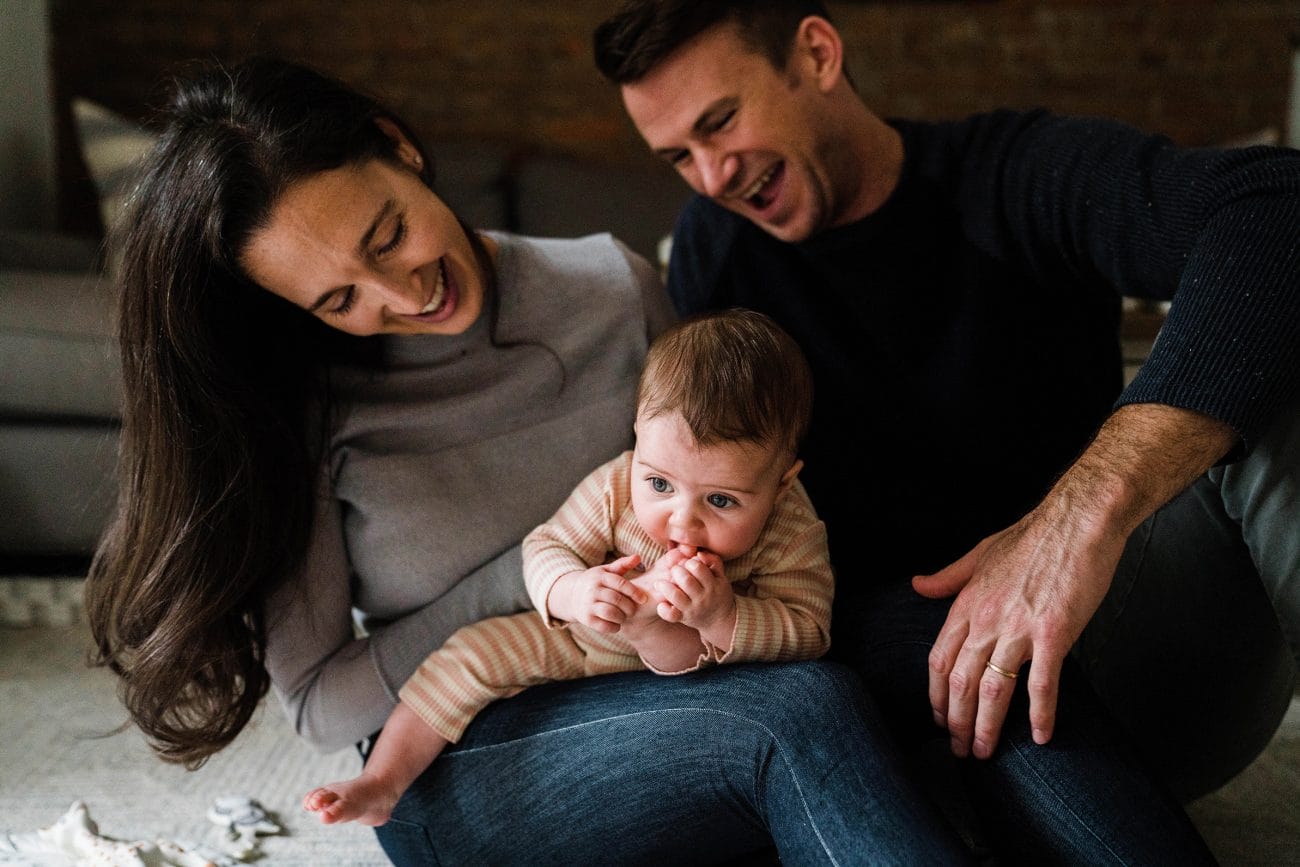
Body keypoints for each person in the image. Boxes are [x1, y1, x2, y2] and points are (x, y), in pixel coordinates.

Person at [84, 55, 975, 865]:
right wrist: (541, 575)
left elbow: (728, 472)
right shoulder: (304, 413)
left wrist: (726, 596)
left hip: (680, 661)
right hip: (463, 745)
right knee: (799, 713)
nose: (404, 294)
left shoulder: (613, 285)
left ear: (399, 149)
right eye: (339, 298)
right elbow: (323, 704)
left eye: (387, 234)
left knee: (965, 643)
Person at [594, 0, 1299, 860]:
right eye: (677, 156)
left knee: (1279, 355)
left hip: (1131, 645)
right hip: (924, 704)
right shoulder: (716, 248)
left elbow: (1279, 205)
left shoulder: (1015, 173)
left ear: (816, 53)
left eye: (721, 122)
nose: (709, 175)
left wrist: (1074, 519)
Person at [304, 308, 837, 826]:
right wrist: (576, 591)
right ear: (638, 437)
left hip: (698, 681)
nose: (682, 523)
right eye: (660, 485)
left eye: (721, 501)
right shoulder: (617, 484)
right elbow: (545, 547)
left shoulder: (790, 528)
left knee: (703, 651)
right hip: (580, 641)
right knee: (465, 657)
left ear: (783, 483)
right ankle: (382, 783)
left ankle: (655, 633)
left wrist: (722, 616)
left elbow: (811, 631)